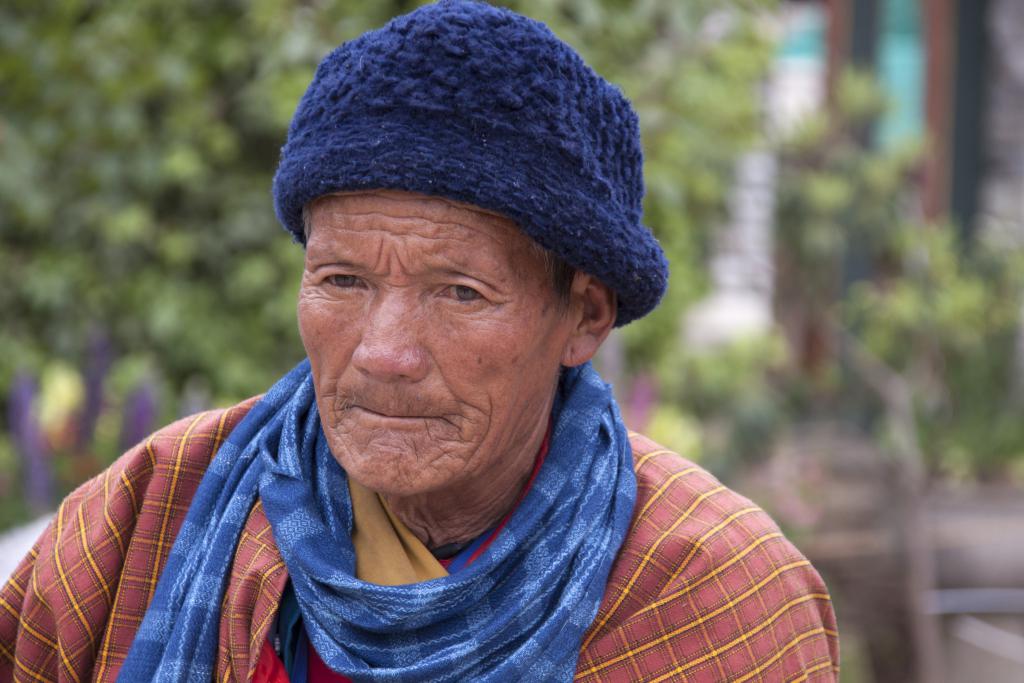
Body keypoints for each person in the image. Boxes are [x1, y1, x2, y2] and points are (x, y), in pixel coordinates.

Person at [0, 1, 839, 681]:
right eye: (342, 281)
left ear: (583, 315)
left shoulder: (712, 595)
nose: (383, 351)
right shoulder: (144, 519)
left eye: (459, 292)